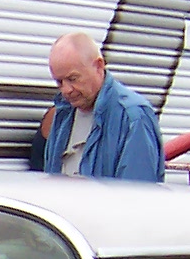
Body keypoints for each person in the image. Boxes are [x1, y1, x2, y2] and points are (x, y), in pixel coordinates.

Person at [29, 31, 163, 181]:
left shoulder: (134, 117)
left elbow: (137, 195)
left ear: (99, 66)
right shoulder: (63, 114)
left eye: (73, 78)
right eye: (59, 82)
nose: (66, 90)